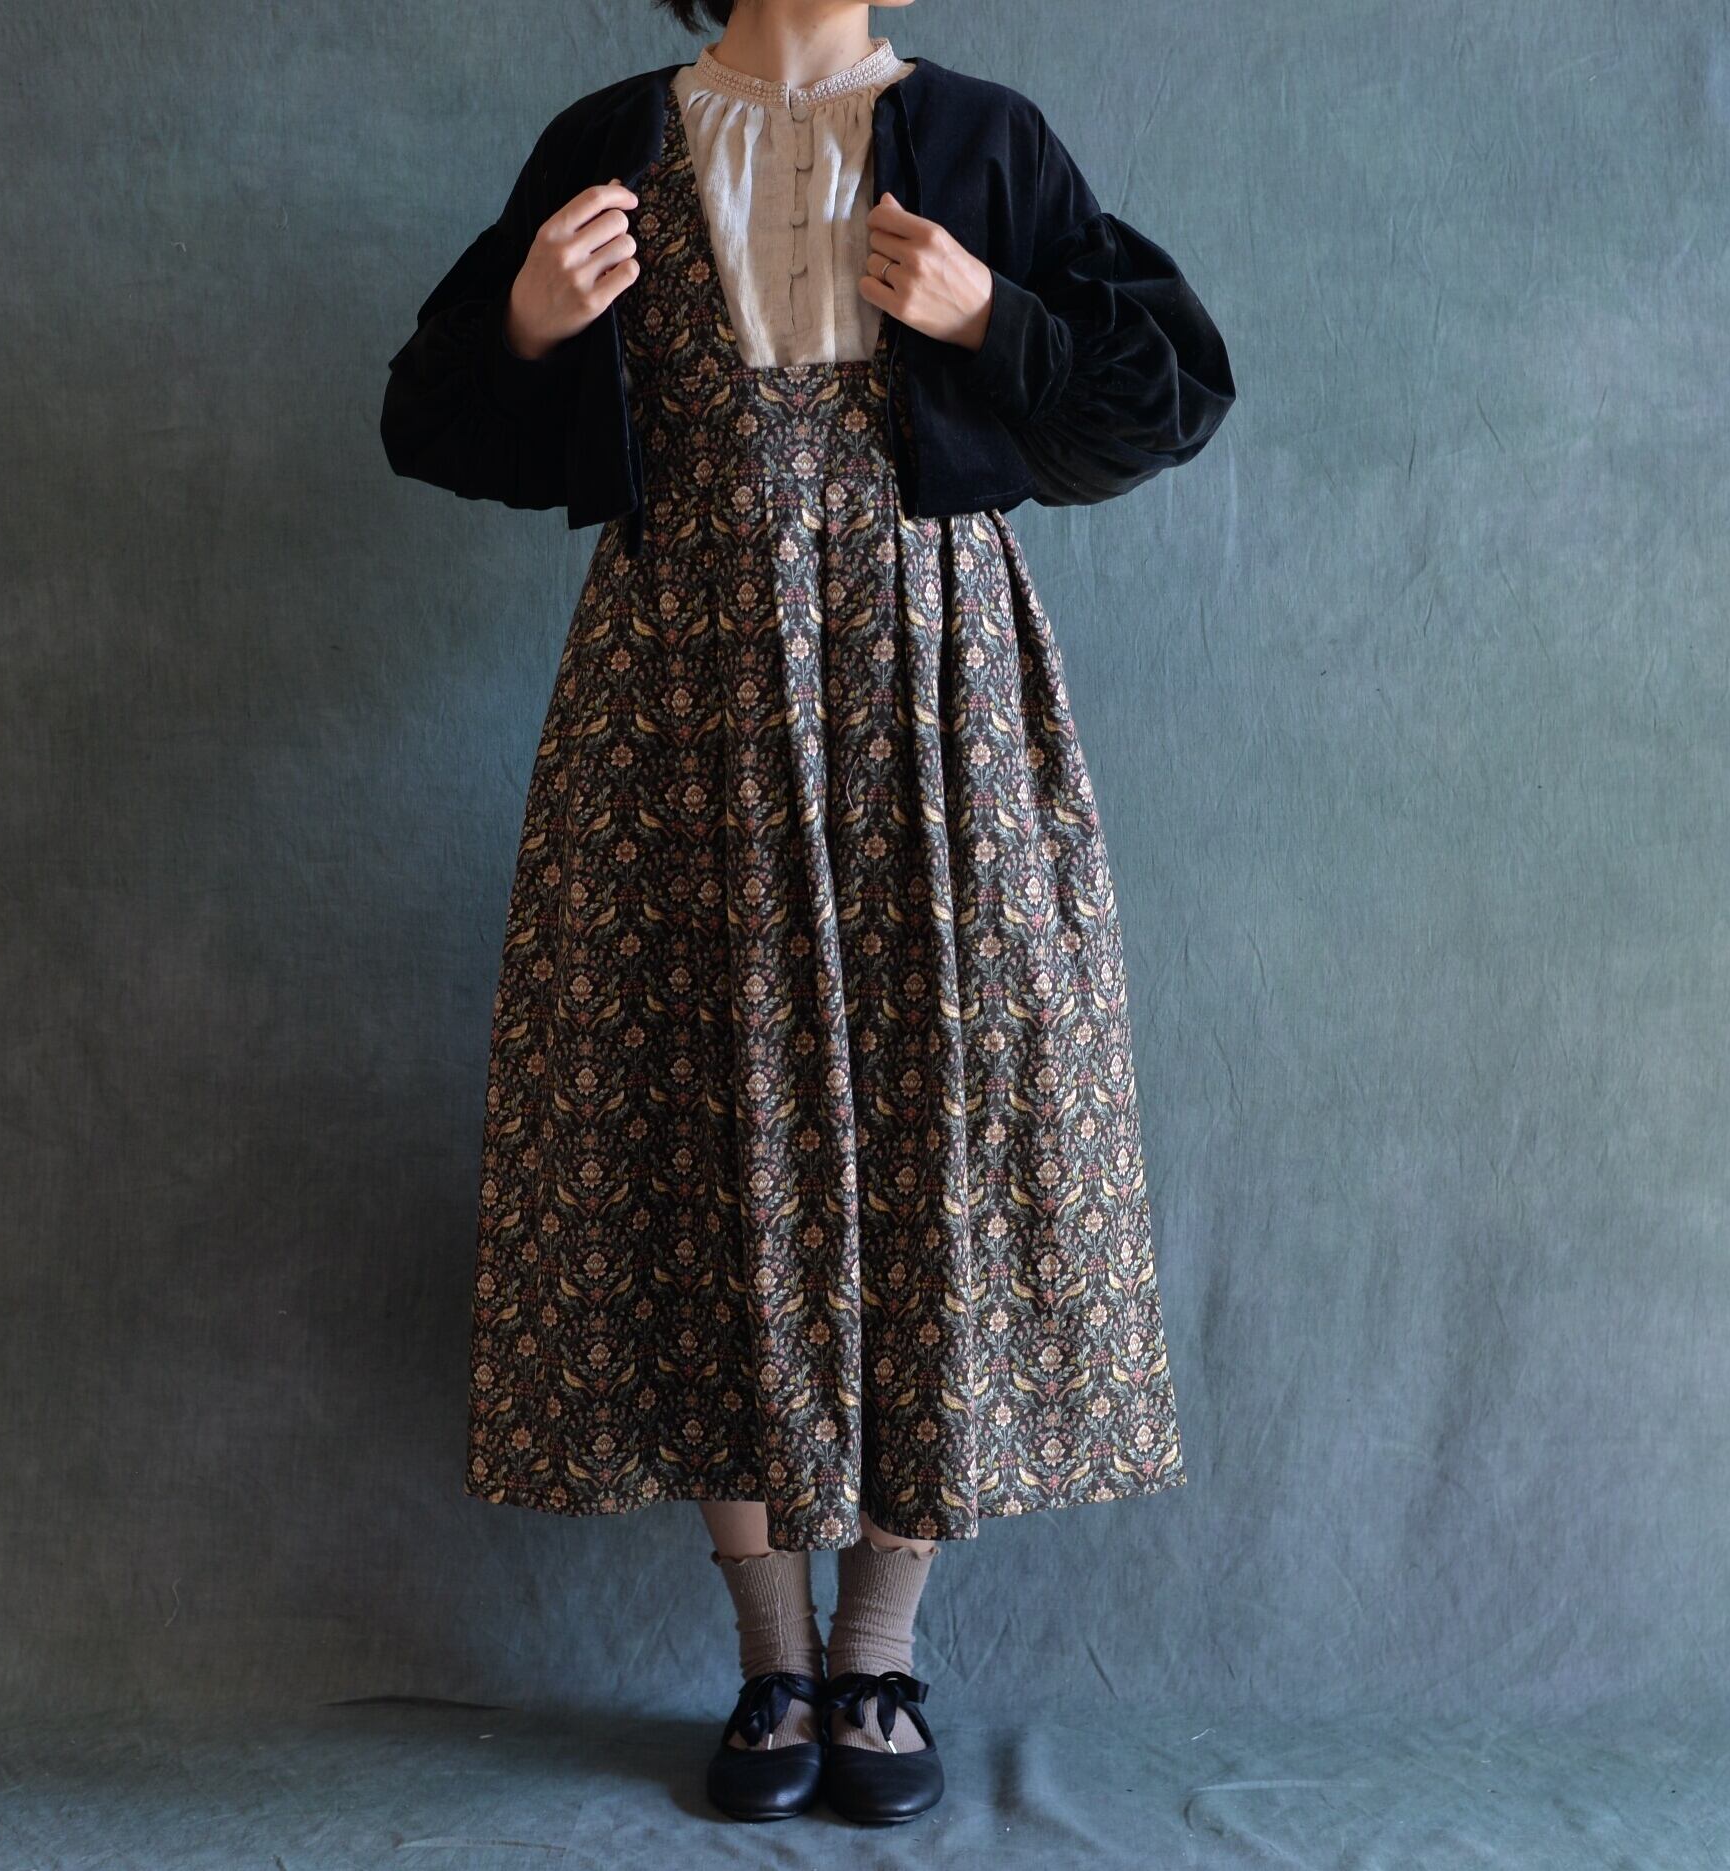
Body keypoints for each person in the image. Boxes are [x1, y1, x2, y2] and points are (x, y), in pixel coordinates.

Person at [380, 0, 1234, 1827]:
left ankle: (876, 1658)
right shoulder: (608, 139)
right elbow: (431, 418)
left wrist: (992, 317)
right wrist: (525, 321)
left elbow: (1160, 400)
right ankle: (770, 1661)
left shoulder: (985, 140)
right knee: (709, 1125)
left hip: (930, 681)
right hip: (678, 692)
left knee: (946, 1116)